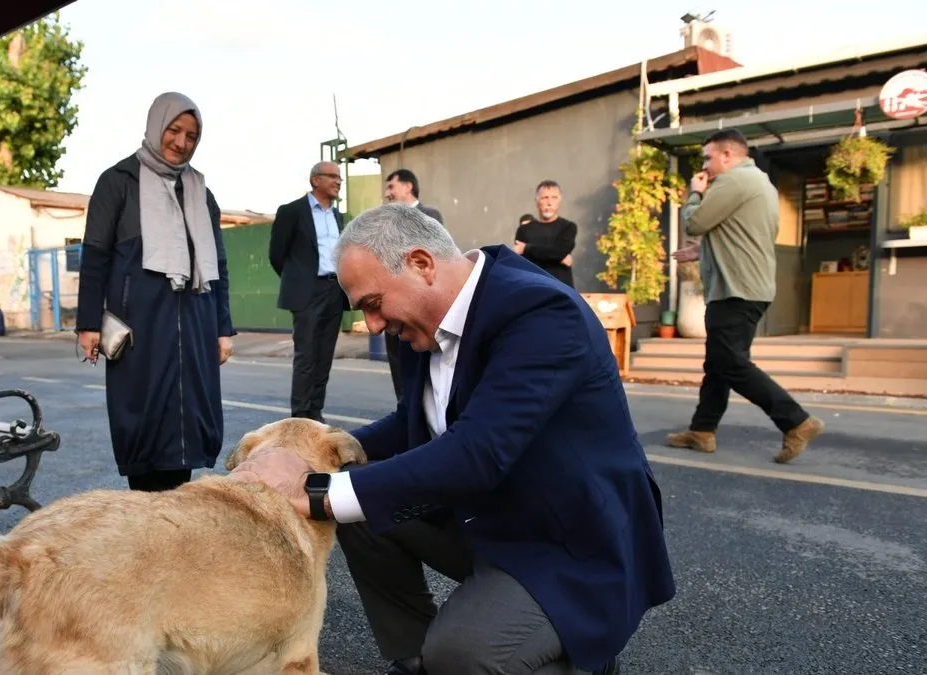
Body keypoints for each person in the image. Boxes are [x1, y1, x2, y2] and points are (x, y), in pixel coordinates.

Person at [235, 204, 674, 675]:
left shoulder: (542, 313)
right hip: (496, 518)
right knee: (357, 496)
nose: (375, 326)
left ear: (421, 265)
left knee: (464, 656)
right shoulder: (434, 321)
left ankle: (586, 661)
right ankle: (417, 659)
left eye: (372, 303)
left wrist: (312, 492)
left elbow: (475, 453)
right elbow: (411, 423)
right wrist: (312, 457)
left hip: (570, 543)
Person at [76, 92, 236, 492]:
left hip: (196, 324)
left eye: (192, 136)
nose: (182, 143)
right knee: (144, 422)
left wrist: (222, 329)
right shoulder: (118, 183)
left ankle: (171, 519)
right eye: (174, 130)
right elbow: (94, 256)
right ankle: (147, 515)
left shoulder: (201, 192)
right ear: (155, 126)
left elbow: (218, 265)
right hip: (140, 326)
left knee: (187, 424)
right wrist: (87, 324)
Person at [668, 128, 823, 462]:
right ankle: (702, 430)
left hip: (735, 291)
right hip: (747, 287)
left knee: (730, 362)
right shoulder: (758, 182)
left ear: (728, 155)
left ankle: (796, 421)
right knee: (718, 364)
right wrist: (701, 254)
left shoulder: (733, 182)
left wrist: (694, 194)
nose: (705, 167)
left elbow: (695, 222)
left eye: (708, 157)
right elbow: (739, 234)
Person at [268, 161, 348, 422]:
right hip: (307, 291)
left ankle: (315, 412)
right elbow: (276, 255)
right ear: (316, 180)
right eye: (333, 177)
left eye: (340, 178)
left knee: (325, 355)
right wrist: (300, 280)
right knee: (306, 356)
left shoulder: (338, 216)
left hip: (335, 290)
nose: (338, 181)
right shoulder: (292, 211)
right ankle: (300, 416)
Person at [382, 168, 444, 401]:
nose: (387, 193)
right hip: (391, 305)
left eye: (391, 187)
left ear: (408, 187)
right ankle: (405, 412)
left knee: (426, 364)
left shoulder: (430, 216)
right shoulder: (383, 222)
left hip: (420, 306)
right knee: (398, 365)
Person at [513, 180, 576, 288]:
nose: (549, 203)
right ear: (537, 200)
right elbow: (522, 263)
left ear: (560, 199)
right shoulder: (524, 230)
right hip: (533, 289)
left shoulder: (568, 227)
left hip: (562, 291)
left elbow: (559, 251)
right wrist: (558, 257)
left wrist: (527, 249)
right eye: (545, 198)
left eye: (554, 197)